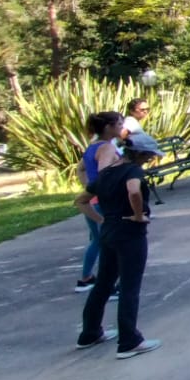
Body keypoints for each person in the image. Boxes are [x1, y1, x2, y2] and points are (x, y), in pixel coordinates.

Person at [76, 130, 167, 359]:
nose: (150, 160)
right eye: (148, 156)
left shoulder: (106, 173)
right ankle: (129, 341)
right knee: (129, 286)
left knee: (103, 284)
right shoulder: (133, 171)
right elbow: (134, 190)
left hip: (109, 231)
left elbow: (81, 200)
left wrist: (101, 219)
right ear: (140, 154)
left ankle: (90, 332)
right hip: (130, 234)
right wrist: (138, 215)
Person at [74, 111, 123, 292]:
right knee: (110, 244)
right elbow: (104, 172)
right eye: (119, 124)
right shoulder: (107, 148)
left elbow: (81, 170)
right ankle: (108, 285)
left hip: (94, 200)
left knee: (98, 240)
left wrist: (89, 188)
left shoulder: (92, 146)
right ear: (108, 127)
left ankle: (87, 278)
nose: (122, 128)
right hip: (105, 202)